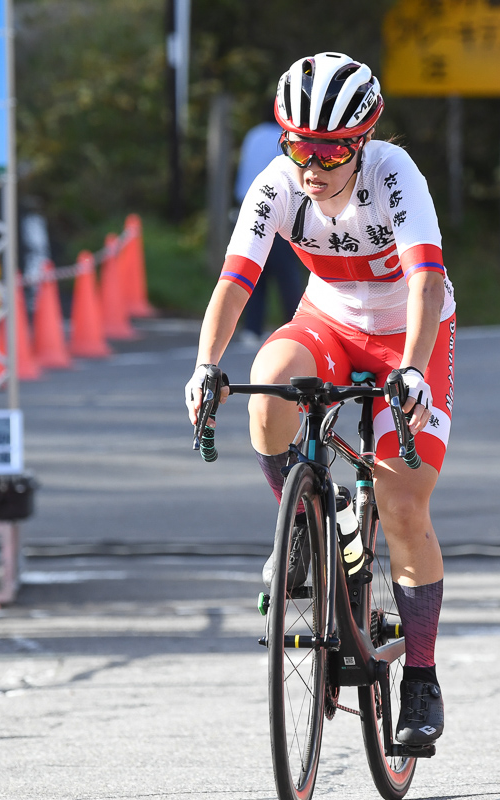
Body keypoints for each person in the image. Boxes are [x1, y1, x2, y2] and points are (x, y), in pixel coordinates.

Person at [184, 52, 456, 747]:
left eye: (329, 149)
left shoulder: (395, 176)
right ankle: (303, 525)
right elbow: (234, 280)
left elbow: (425, 281)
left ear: (360, 143)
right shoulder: (277, 184)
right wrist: (206, 365)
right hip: (329, 320)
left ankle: (419, 678)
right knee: (267, 389)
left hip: (408, 333)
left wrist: (416, 369)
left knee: (402, 504)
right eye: (298, 143)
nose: (312, 163)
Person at [233, 108, 306, 347]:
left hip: (247, 206)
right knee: (286, 274)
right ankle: (296, 327)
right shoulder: (287, 139)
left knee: (254, 272)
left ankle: (252, 328)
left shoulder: (252, 135)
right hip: (277, 210)